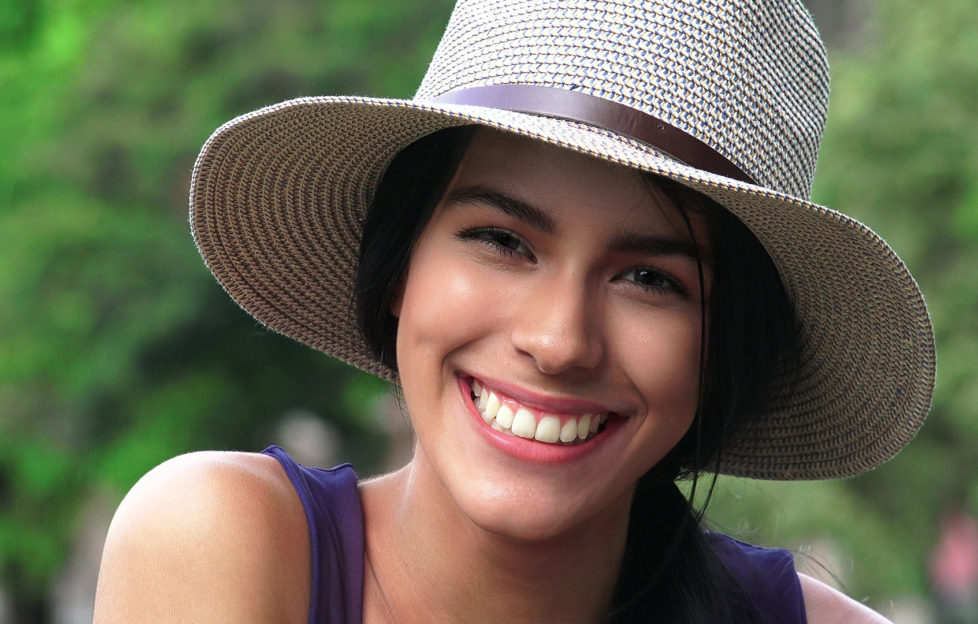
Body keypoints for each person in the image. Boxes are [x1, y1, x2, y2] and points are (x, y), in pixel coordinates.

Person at [93, 0, 936, 622]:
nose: (558, 339)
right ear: (400, 269)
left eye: (651, 279)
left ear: (722, 354)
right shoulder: (224, 546)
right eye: (502, 240)